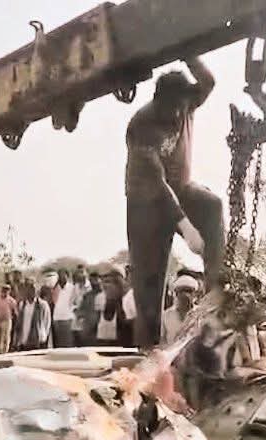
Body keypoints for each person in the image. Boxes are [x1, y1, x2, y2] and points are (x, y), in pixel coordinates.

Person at [125, 57, 222, 348]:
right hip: (146, 203)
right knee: (149, 287)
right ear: (158, 103)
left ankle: (215, 289)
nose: (177, 115)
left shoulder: (186, 100)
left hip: (181, 188)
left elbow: (208, 82)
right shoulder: (142, 125)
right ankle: (148, 350)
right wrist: (186, 227)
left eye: (181, 108)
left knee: (212, 205)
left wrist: (190, 56)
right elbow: (157, 182)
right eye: (171, 110)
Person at [97, 268, 134, 347]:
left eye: (107, 287)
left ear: (118, 285)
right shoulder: (108, 301)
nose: (105, 292)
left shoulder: (130, 299)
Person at [14, 281, 52, 351]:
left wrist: (43, 334)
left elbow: (47, 321)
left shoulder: (42, 305)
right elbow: (19, 323)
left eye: (34, 289)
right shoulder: (22, 305)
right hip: (24, 340)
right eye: (30, 289)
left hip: (38, 340)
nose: (32, 292)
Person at [161, 275, 198, 345]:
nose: (185, 294)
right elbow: (163, 339)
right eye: (181, 291)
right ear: (176, 294)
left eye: (188, 291)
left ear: (194, 294)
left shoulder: (201, 314)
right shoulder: (167, 315)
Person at [51, 269, 75, 347]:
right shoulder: (55, 288)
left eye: (63, 275)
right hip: (57, 319)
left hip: (68, 319)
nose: (62, 277)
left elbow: (74, 302)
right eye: (60, 276)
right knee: (58, 343)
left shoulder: (72, 288)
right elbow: (54, 302)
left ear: (67, 276)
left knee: (68, 343)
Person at [78, 271, 103, 346]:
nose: (93, 282)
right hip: (88, 329)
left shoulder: (105, 295)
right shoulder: (87, 295)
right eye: (91, 280)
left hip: (101, 329)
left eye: (95, 280)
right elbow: (81, 311)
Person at [0, 284, 17, 354]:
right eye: (3, 289)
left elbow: (15, 311)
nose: (4, 291)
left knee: (5, 337)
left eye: (6, 290)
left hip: (6, 320)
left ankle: (4, 351)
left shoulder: (11, 300)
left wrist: (12, 318)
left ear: (9, 291)